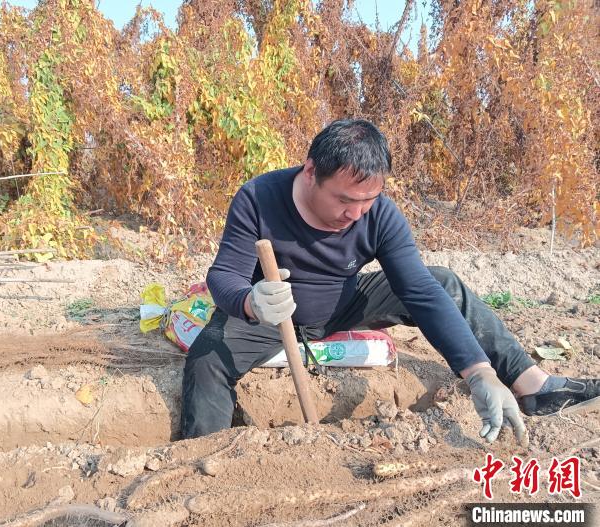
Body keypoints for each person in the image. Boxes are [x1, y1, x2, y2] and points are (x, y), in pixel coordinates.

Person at [181, 118, 599, 442]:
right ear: (310, 171)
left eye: (367, 200)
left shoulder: (379, 215)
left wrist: (478, 373)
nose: (355, 214)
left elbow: (419, 291)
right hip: (273, 315)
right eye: (344, 200)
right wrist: (250, 301)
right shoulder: (259, 198)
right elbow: (225, 274)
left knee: (442, 282)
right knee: (207, 358)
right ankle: (204, 458)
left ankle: (532, 386)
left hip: (344, 302)